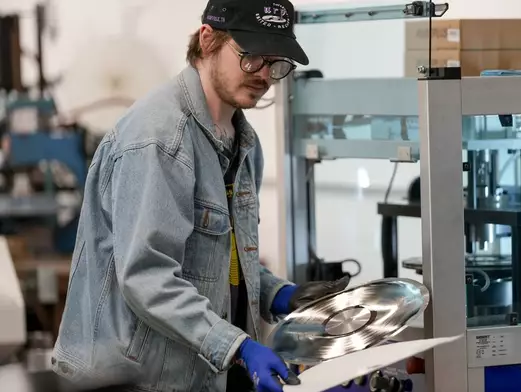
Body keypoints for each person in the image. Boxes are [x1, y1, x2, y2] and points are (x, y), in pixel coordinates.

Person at [51, 0, 350, 391]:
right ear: (208, 40)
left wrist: (280, 295)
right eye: (252, 58)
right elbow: (148, 276)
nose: (264, 75)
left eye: (276, 63)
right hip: (133, 380)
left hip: (198, 373)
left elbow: (219, 258)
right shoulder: (159, 140)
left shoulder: (244, 143)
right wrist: (239, 346)